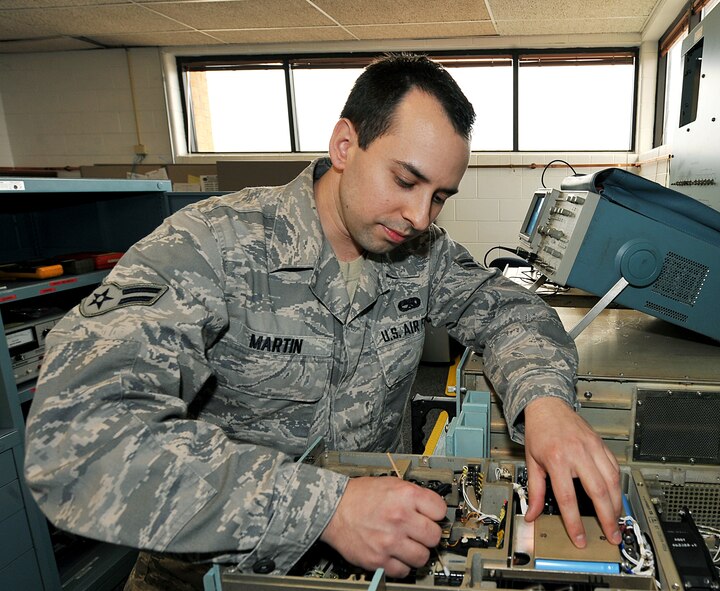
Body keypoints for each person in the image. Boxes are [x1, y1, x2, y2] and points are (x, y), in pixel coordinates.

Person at [24, 53, 621, 589]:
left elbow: (511, 311)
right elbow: (79, 441)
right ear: (343, 145)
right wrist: (325, 508)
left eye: (440, 196)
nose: (419, 215)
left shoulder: (423, 256)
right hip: (216, 570)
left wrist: (545, 403)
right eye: (406, 180)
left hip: (366, 567)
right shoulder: (209, 244)